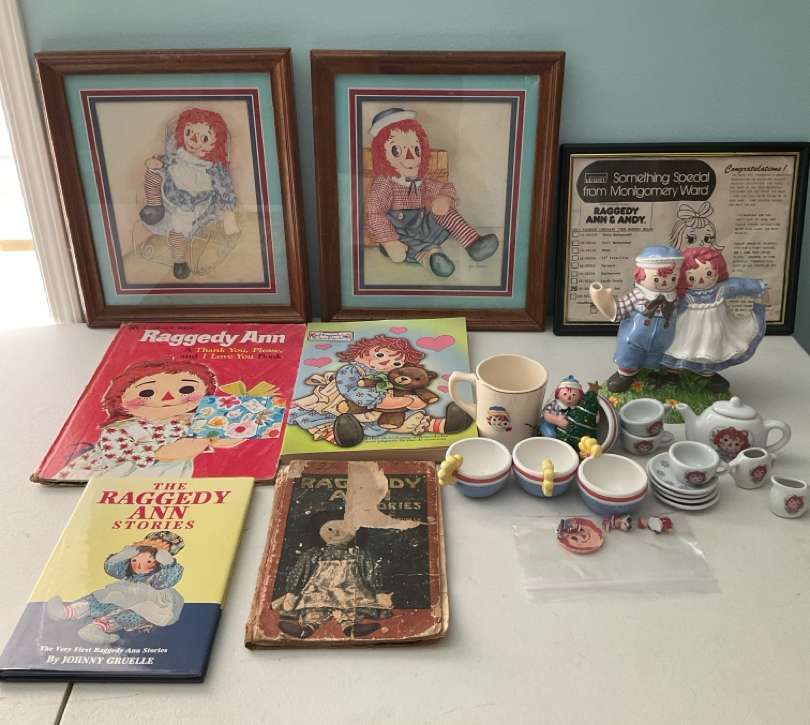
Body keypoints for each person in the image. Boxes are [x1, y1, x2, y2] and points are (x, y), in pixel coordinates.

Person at [365, 108, 499, 278]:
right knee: (408, 247)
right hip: (399, 235)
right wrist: (389, 240)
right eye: (397, 150)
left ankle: (473, 243)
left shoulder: (422, 180)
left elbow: (445, 187)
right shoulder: (385, 182)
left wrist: (445, 198)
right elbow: (373, 212)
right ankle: (433, 258)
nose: (411, 157)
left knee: (444, 210)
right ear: (382, 155)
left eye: (416, 149)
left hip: (424, 228)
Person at [56, 359, 241, 480]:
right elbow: (167, 452)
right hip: (116, 483)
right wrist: (202, 439)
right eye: (147, 392)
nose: (168, 398)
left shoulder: (190, 420)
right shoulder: (119, 430)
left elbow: (222, 439)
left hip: (168, 486)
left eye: (186, 389)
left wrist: (244, 423)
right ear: (120, 400)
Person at [288, 335, 471, 447]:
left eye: (396, 362)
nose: (386, 362)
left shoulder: (388, 378)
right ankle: (344, 437)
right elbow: (351, 391)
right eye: (380, 355)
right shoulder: (351, 370)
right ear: (361, 353)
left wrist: (413, 401)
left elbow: (404, 394)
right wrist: (383, 401)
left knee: (409, 419)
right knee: (334, 423)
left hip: (380, 414)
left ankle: (445, 426)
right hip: (341, 407)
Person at [138, 107, 239, 280]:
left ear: (215, 144)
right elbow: (168, 160)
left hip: (191, 205)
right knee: (152, 171)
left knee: (178, 230)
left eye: (204, 138)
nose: (192, 140)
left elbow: (225, 188)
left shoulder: (212, 168)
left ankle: (179, 261)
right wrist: (157, 162)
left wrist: (229, 214)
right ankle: (154, 205)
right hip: (169, 193)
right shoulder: (180, 154)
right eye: (189, 132)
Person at [45, 531, 185, 644]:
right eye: (134, 560)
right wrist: (127, 552)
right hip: (126, 592)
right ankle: (66, 612)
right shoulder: (128, 569)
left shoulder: (163, 572)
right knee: (102, 598)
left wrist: (165, 558)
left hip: (150, 598)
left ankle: (97, 628)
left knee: (136, 612)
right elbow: (112, 567)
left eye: (148, 561)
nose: (138, 565)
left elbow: (167, 580)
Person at [661, 246, 767, 391]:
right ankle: (672, 373)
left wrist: (758, 287)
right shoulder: (683, 294)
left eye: (709, 273)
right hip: (687, 329)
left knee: (711, 349)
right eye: (691, 277)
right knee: (679, 347)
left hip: (713, 330)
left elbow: (740, 285)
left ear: (718, 270)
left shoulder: (721, 289)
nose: (701, 279)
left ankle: (706, 373)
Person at [590, 245, 684, 393]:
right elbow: (619, 309)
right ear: (641, 275)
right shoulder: (638, 295)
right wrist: (604, 302)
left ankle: (668, 375)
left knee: (668, 355)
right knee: (630, 354)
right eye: (657, 279)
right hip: (635, 338)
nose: (665, 283)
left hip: (665, 339)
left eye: (672, 278)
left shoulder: (675, 297)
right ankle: (626, 375)